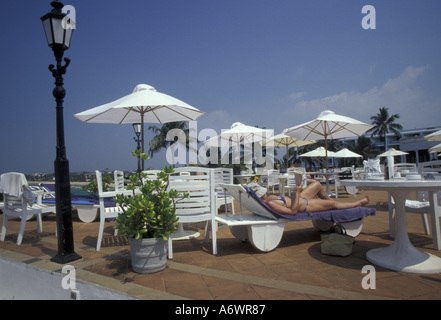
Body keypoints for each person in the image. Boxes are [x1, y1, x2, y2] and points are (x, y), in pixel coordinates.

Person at [248, 180, 370, 215]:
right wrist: (296, 192)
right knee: (334, 205)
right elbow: (293, 211)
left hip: (300, 198)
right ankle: (358, 204)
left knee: (316, 184)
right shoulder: (270, 204)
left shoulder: (266, 199)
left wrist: (297, 193)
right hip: (305, 205)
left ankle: (328, 203)